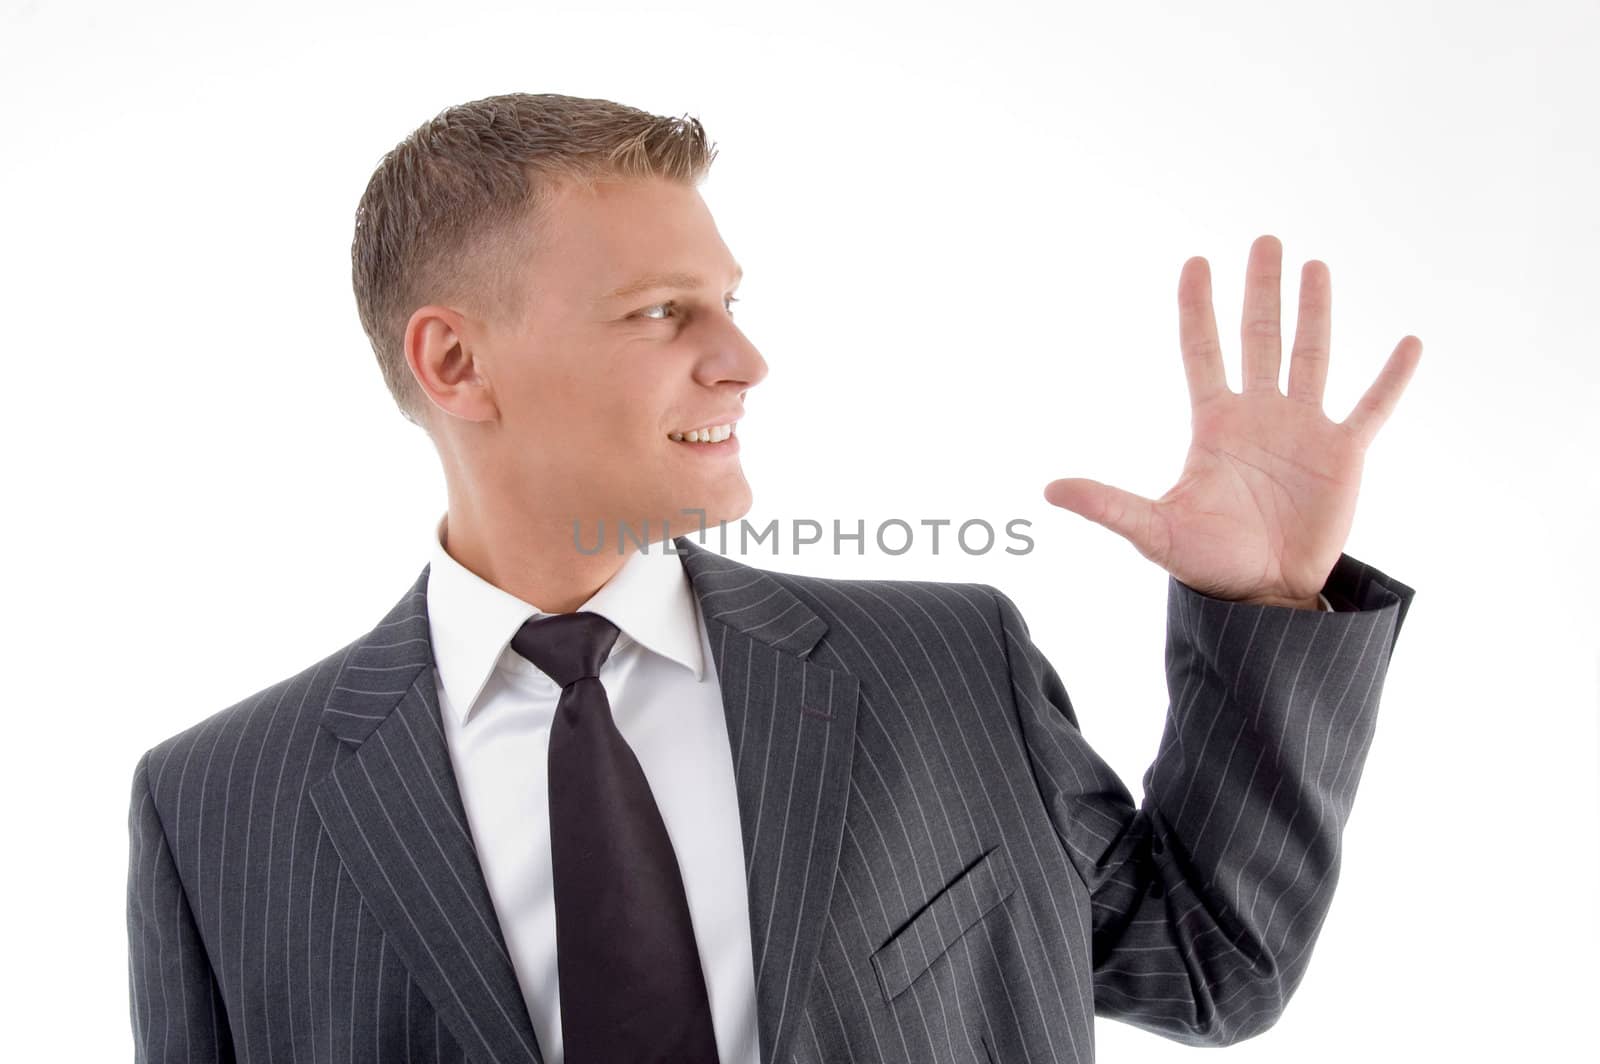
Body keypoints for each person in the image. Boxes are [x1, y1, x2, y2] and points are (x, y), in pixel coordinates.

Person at [125, 92, 1419, 1064]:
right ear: (455, 364)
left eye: (729, 300)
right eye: (662, 312)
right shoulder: (220, 808)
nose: (744, 356)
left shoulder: (946, 669)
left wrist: (1268, 607)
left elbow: (1211, 964)